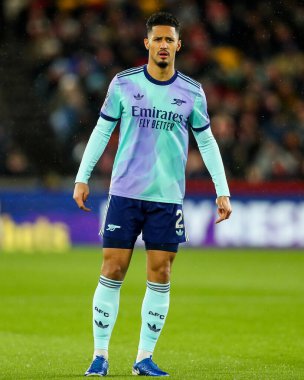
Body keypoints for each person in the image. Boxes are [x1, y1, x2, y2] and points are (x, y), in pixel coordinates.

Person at [73, 11, 232, 377]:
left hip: (167, 198)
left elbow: (206, 142)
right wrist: (82, 177)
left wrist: (222, 190)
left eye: (169, 39)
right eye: (157, 39)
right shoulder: (123, 84)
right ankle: (100, 356)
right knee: (112, 268)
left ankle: (143, 358)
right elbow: (101, 132)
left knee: (160, 274)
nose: (163, 45)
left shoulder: (191, 91)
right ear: (147, 43)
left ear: (179, 44)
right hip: (125, 193)